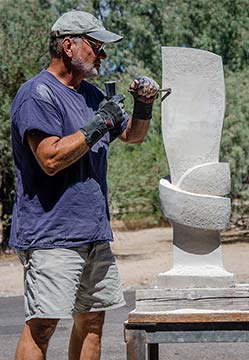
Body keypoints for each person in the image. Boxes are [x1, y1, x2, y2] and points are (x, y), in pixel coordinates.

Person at [10, 10, 159, 360]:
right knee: (43, 325)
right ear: (68, 45)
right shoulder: (38, 94)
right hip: (51, 235)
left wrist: (144, 105)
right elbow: (50, 159)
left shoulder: (90, 94)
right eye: (97, 46)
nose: (103, 55)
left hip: (94, 232)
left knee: (92, 322)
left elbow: (133, 136)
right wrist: (97, 124)